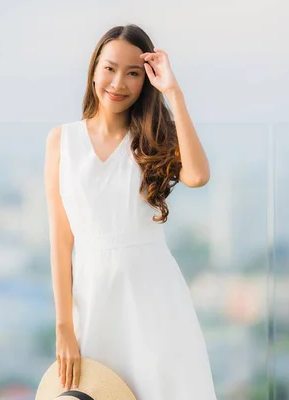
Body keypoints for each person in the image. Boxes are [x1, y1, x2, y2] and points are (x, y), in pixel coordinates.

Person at [44, 24, 217, 399]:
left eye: (133, 73)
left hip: (154, 297)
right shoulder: (62, 141)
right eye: (109, 68)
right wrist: (64, 326)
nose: (118, 82)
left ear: (146, 81)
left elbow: (198, 175)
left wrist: (173, 92)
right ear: (93, 69)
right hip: (93, 302)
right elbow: (61, 240)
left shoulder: (152, 138)